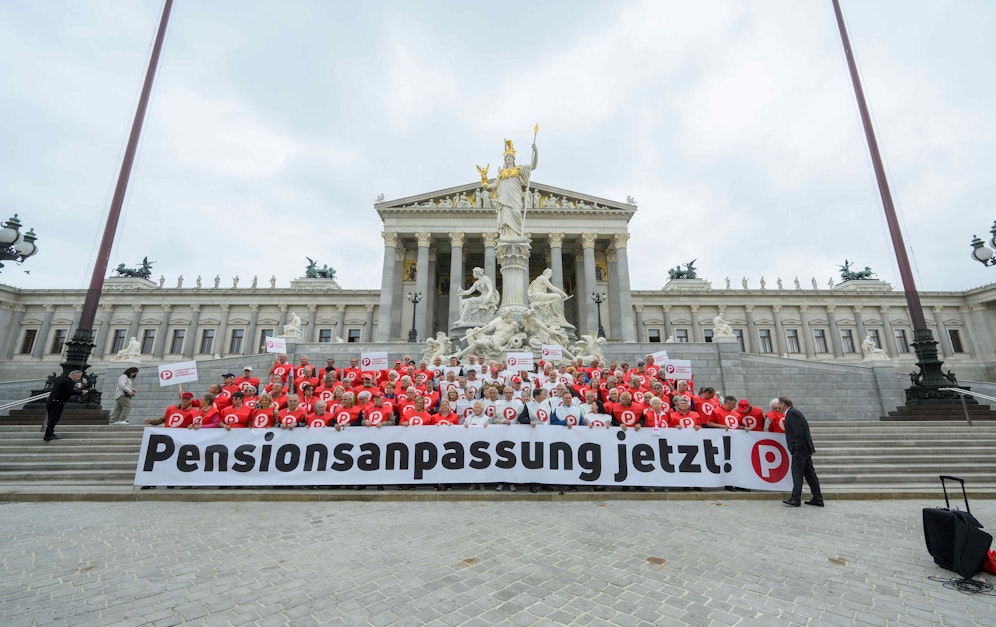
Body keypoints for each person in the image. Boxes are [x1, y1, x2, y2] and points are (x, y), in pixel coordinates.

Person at [486, 138, 538, 239]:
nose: (508, 158)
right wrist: (485, 185)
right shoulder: (501, 173)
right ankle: (507, 236)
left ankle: (516, 235)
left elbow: (533, 166)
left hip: (515, 197)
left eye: (510, 156)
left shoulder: (519, 169)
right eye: (507, 157)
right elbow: (494, 185)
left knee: (517, 213)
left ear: (514, 159)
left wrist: (536, 151)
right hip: (504, 198)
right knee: (506, 219)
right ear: (505, 160)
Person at [777, 396, 824, 507]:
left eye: (779, 404)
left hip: (800, 449)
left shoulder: (792, 414)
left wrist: (795, 447)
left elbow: (798, 432)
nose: (778, 407)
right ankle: (817, 498)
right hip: (804, 448)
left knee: (797, 473)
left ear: (783, 404)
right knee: (809, 474)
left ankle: (795, 498)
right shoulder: (794, 412)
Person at [44, 370, 88, 441]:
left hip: (51, 401)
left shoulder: (62, 379)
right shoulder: (69, 381)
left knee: (52, 418)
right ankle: (48, 435)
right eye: (79, 377)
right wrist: (81, 392)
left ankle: (50, 433)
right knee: (54, 419)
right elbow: (70, 392)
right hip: (57, 402)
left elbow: (64, 389)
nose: (79, 379)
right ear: (74, 375)